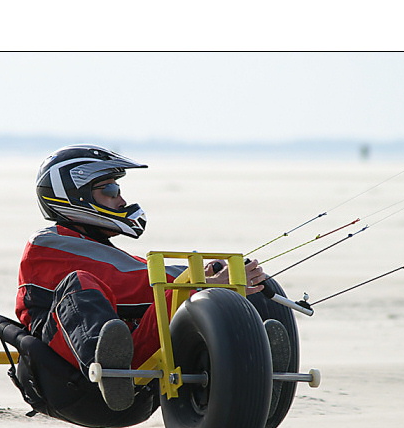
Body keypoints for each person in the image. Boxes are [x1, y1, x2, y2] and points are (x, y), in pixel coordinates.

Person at [15, 144, 267, 412]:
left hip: (136, 378)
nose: (121, 201)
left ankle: (262, 368)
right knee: (81, 283)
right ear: (74, 197)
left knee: (238, 287)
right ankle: (107, 370)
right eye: (110, 191)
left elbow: (144, 280)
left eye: (118, 191)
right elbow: (128, 283)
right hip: (70, 378)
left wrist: (215, 280)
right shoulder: (47, 244)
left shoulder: (99, 249)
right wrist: (199, 281)